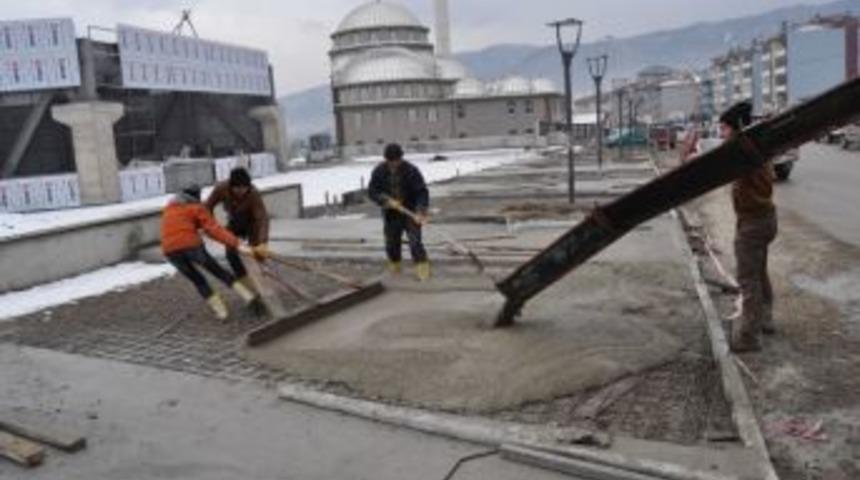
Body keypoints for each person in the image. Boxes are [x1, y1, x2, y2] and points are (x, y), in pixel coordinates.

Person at [719, 102, 778, 353]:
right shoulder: (754, 149)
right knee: (759, 271)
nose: (721, 133)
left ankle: (749, 337)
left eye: (724, 128)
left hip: (754, 223)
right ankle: (765, 319)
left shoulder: (742, 152)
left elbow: (716, 163)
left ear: (736, 129)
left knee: (748, 279)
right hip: (764, 218)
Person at [161, 185, 258, 320]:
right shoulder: (196, 207)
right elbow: (213, 230)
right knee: (218, 271)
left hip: (170, 251)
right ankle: (248, 296)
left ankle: (221, 312)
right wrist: (237, 244)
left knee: (197, 280)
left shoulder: (169, 208)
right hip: (191, 246)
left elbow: (178, 226)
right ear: (196, 196)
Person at [368, 143, 431, 281]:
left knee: (415, 242)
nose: (394, 164)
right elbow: (372, 191)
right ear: (386, 160)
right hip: (391, 213)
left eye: (397, 161)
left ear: (401, 158)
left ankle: (422, 268)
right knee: (392, 242)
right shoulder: (379, 171)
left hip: (410, 210)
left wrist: (420, 210)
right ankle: (395, 265)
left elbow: (421, 192)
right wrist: (385, 201)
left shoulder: (411, 170)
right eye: (391, 161)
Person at [205, 167, 270, 285]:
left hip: (252, 222)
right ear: (231, 186)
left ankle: (263, 273)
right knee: (230, 252)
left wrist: (262, 242)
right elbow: (208, 207)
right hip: (234, 220)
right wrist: (210, 225)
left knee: (256, 250)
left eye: (244, 188)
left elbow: (262, 218)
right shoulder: (221, 188)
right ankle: (243, 278)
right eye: (237, 188)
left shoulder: (254, 193)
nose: (241, 191)